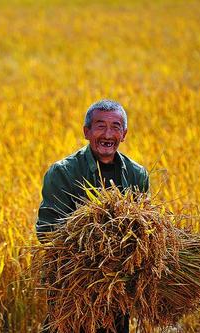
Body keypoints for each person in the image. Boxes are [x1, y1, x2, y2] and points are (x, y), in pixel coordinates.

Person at [35, 99, 150, 333]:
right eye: (100, 126)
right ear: (86, 131)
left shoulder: (137, 175)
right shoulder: (63, 172)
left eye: (115, 127)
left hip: (117, 291)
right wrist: (95, 246)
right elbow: (47, 231)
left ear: (124, 134)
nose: (108, 134)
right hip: (72, 289)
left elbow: (146, 230)